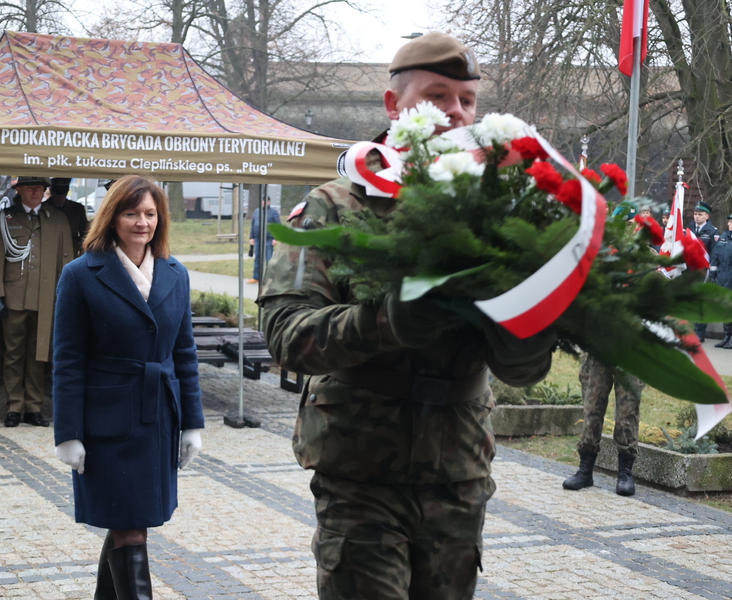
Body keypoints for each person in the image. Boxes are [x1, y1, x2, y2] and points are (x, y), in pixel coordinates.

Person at [257, 32, 557, 600]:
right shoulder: (335, 206)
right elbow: (285, 333)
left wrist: (526, 327)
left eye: (467, 100)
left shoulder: (501, 217)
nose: (456, 113)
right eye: (437, 96)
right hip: (361, 473)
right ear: (394, 106)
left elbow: (522, 369)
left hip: (459, 475)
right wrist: (385, 322)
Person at [52, 175, 203, 600]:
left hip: (158, 418)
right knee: (131, 528)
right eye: (132, 213)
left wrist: (192, 423)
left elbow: (185, 354)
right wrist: (68, 432)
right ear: (112, 217)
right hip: (107, 424)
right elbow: (68, 359)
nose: (142, 222)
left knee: (129, 523)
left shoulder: (176, 273)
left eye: (150, 214)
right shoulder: (81, 275)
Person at [0, 176, 73, 427]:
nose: (36, 192)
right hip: (14, 298)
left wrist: (66, 297)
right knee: (13, 353)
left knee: (39, 353)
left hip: (47, 297)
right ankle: (14, 405)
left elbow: (67, 262)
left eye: (40, 187)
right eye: (30, 187)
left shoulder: (58, 220)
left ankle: (34, 406)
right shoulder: (5, 218)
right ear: (19, 190)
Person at [562, 354, 644, 496]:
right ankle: (585, 470)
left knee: (627, 413)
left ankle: (625, 473)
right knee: (592, 409)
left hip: (632, 349)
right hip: (599, 348)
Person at [688, 201, 718, 342]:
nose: (696, 217)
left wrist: (712, 273)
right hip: (689, 270)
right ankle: (690, 330)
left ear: (707, 216)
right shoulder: (689, 227)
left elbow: (714, 254)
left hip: (703, 271)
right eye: (695, 214)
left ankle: (700, 333)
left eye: (700, 214)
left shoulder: (713, 232)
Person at [710, 212, 732, 349]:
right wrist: (713, 273)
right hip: (723, 277)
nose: (728, 224)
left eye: (731, 221)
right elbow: (715, 256)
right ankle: (726, 336)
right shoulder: (723, 237)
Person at [43, 177, 88, 255]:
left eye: (62, 196)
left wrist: (78, 247)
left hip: (71, 250)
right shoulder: (42, 208)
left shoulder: (77, 209)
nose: (59, 199)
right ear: (51, 191)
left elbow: (84, 232)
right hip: (47, 250)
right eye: (57, 196)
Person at [249, 196, 281, 283]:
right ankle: (256, 277)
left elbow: (278, 226)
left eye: (265, 201)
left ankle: (270, 278)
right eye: (262, 201)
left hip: (269, 239)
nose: (263, 202)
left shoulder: (273, 212)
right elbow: (253, 224)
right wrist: (251, 237)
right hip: (258, 238)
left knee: (269, 259)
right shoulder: (256, 211)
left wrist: (276, 239)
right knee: (257, 258)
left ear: (269, 202)